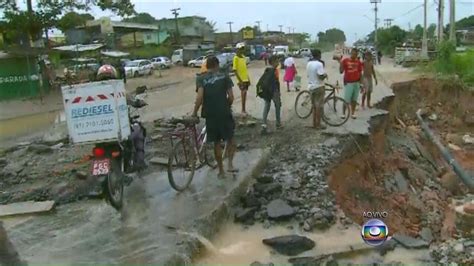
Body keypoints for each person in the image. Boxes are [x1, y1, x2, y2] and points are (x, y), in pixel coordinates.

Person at [193, 56, 236, 178]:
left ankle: (221, 171)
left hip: (210, 115)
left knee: (216, 143)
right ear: (217, 65)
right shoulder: (225, 77)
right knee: (231, 139)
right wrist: (226, 106)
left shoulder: (201, 78)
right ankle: (230, 165)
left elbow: (199, 98)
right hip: (224, 113)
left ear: (206, 66)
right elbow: (231, 97)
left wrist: (194, 112)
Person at [340, 47, 364, 119]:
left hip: (356, 82)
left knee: (354, 99)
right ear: (351, 53)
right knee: (346, 99)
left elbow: (360, 73)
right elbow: (341, 71)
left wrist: (361, 84)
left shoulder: (358, 62)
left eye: (356, 54)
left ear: (357, 54)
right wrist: (340, 63)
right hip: (349, 82)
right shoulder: (345, 61)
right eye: (353, 53)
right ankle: (343, 113)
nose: (354, 55)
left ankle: (353, 113)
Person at [307, 49, 328, 129]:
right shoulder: (319, 64)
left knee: (314, 106)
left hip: (311, 87)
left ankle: (314, 124)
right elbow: (320, 76)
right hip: (319, 87)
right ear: (319, 55)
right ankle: (318, 124)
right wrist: (325, 75)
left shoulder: (308, 63)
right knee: (318, 106)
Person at [261, 55, 282, 134]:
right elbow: (277, 82)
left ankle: (264, 123)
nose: (278, 62)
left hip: (266, 91)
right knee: (278, 106)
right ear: (273, 62)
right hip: (274, 91)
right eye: (277, 61)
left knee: (267, 106)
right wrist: (278, 92)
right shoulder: (275, 70)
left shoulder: (267, 69)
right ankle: (278, 123)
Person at [233, 43, 250, 115]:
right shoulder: (235, 58)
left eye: (242, 49)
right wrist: (240, 81)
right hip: (241, 80)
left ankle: (244, 109)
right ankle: (243, 110)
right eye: (240, 49)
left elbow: (245, 69)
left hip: (245, 78)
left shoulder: (243, 57)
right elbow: (235, 70)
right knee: (243, 93)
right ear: (237, 50)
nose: (241, 50)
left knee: (245, 94)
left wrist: (248, 79)